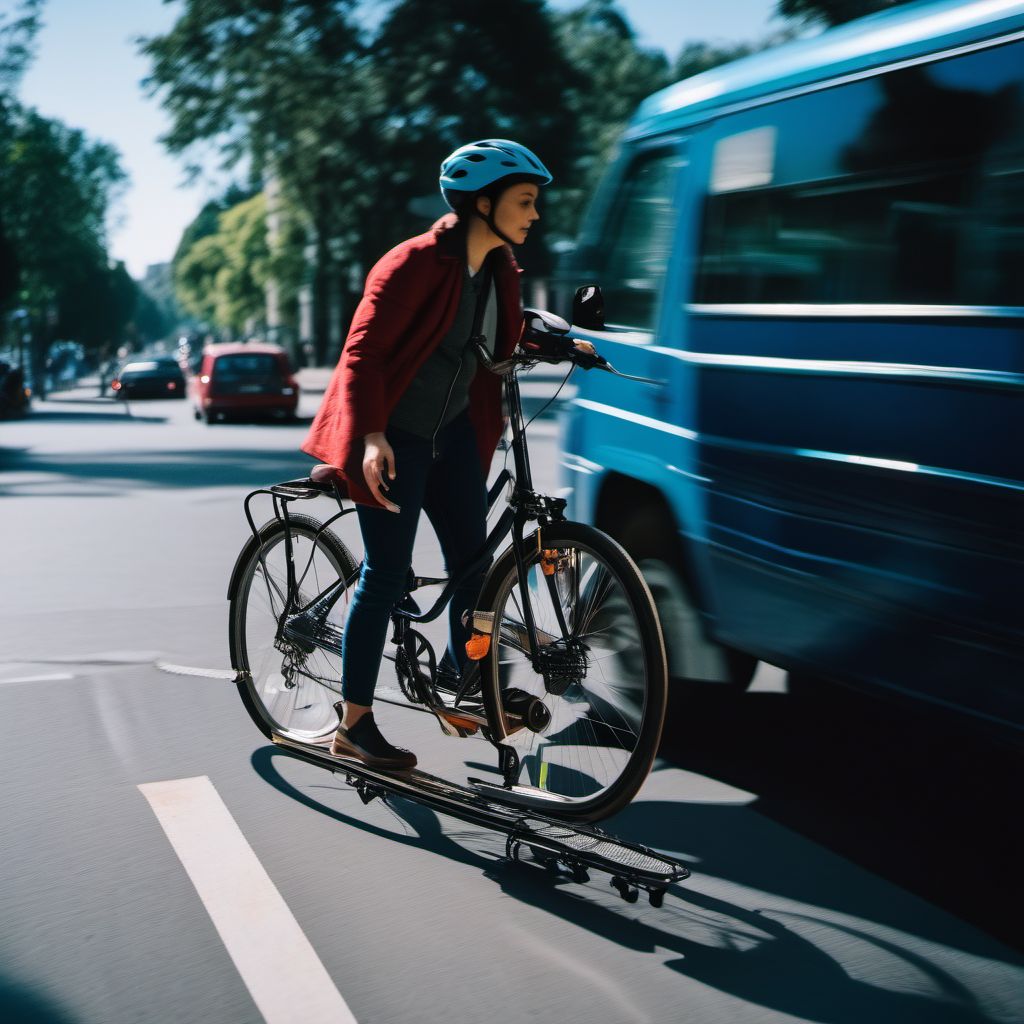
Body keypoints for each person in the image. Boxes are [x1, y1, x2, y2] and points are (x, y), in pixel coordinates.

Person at [301, 139, 588, 771]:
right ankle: (353, 725)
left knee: (475, 568)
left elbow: (500, 341)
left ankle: (463, 683)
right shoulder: (410, 265)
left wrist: (566, 343)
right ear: (482, 203)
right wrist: (371, 435)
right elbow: (363, 354)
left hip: (454, 431)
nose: (535, 214)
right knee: (385, 574)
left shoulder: (499, 271)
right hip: (394, 437)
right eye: (524, 201)